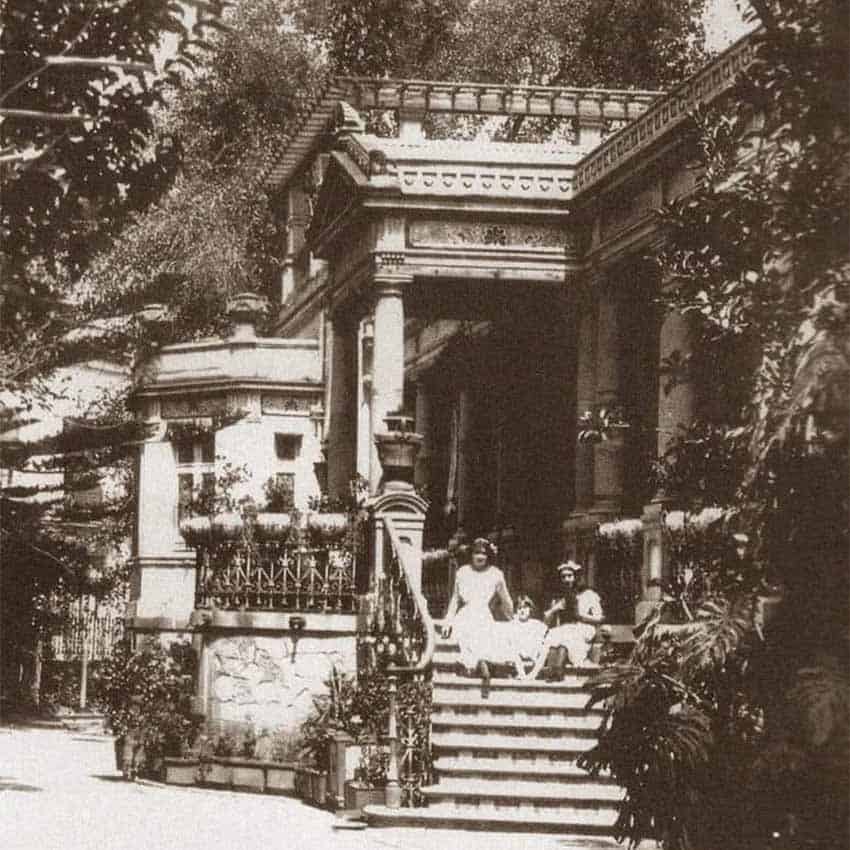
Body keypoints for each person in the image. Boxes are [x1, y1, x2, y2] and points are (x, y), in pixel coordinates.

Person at [441, 537, 515, 693]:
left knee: (486, 633)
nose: (480, 557)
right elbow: (455, 599)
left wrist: (513, 619)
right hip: (465, 614)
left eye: (484, 553)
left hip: (484, 614)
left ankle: (481, 665)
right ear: (471, 555)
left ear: (489, 555)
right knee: (468, 634)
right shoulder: (462, 572)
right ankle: (480, 664)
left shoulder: (496, 574)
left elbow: (506, 600)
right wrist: (448, 620)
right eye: (476, 553)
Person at [529, 561, 604, 680]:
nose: (567, 579)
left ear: (576, 577)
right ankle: (540, 673)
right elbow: (546, 622)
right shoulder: (560, 597)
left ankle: (556, 672)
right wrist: (554, 609)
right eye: (563, 577)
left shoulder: (589, 594)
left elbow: (600, 618)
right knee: (552, 638)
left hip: (584, 628)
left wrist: (581, 616)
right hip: (566, 628)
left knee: (566, 638)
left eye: (570, 576)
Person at [508, 595, 548, 678]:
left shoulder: (536, 624)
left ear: (530, 609)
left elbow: (543, 635)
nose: (522, 610)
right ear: (516, 611)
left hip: (532, 652)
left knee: (544, 649)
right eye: (519, 608)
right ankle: (522, 674)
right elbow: (511, 641)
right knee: (512, 648)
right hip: (517, 654)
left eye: (525, 607)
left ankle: (533, 674)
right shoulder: (513, 624)